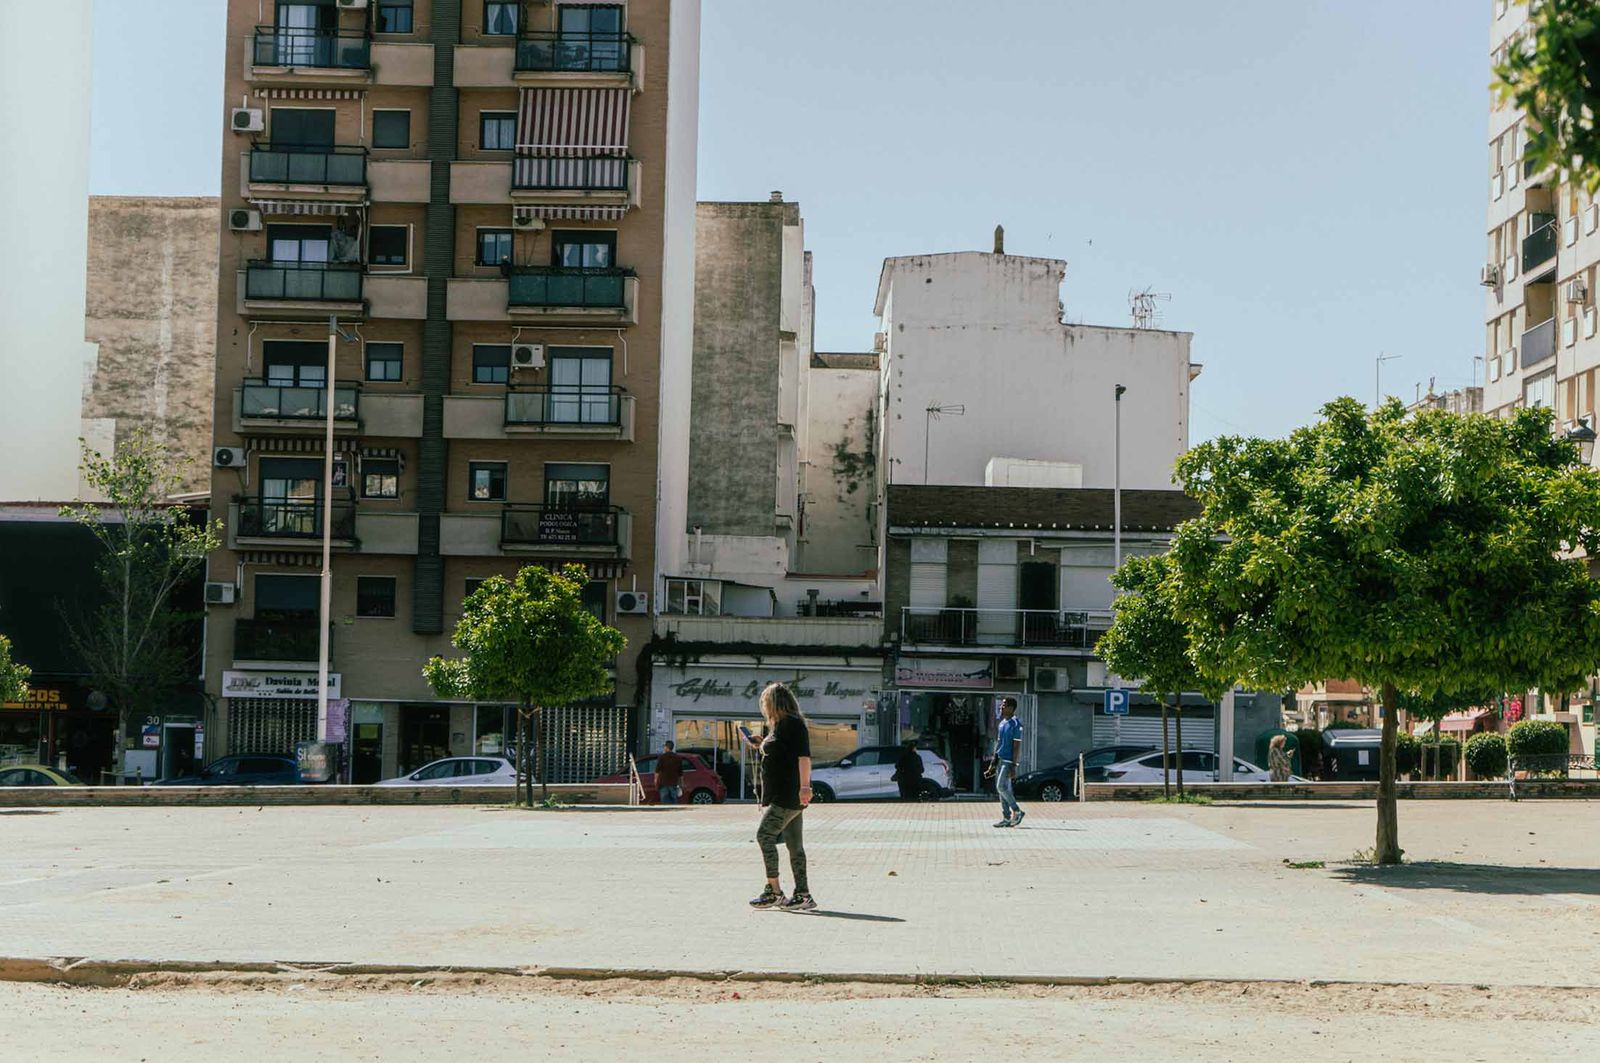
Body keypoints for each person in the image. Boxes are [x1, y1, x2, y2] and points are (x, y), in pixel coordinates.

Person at [743, 683, 815, 912]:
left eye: (765, 702)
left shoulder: (792, 724)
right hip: (783, 793)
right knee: (795, 846)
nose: (764, 707)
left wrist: (805, 787)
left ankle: (774, 891)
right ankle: (803, 895)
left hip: (787, 794)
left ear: (774, 702)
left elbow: (804, 757)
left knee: (765, 835)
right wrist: (761, 744)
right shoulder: (780, 726)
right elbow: (780, 752)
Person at [985, 697, 1025, 827]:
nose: (1001, 707)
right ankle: (1006, 818)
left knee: (1000, 786)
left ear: (1011, 708)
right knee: (1002, 790)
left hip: (1008, 761)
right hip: (1000, 759)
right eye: (1001, 705)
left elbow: (1016, 746)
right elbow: (999, 744)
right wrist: (993, 762)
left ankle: (1017, 811)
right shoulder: (1002, 723)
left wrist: (1014, 765)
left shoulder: (1016, 724)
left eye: (1004, 705)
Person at [656, 741, 685, 805]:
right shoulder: (678, 758)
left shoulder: (662, 757)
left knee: (664, 802)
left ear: (666, 747)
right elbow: (680, 773)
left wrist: (656, 781)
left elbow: (657, 771)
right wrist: (682, 784)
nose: (664, 748)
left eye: (665, 747)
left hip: (663, 783)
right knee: (674, 801)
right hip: (674, 783)